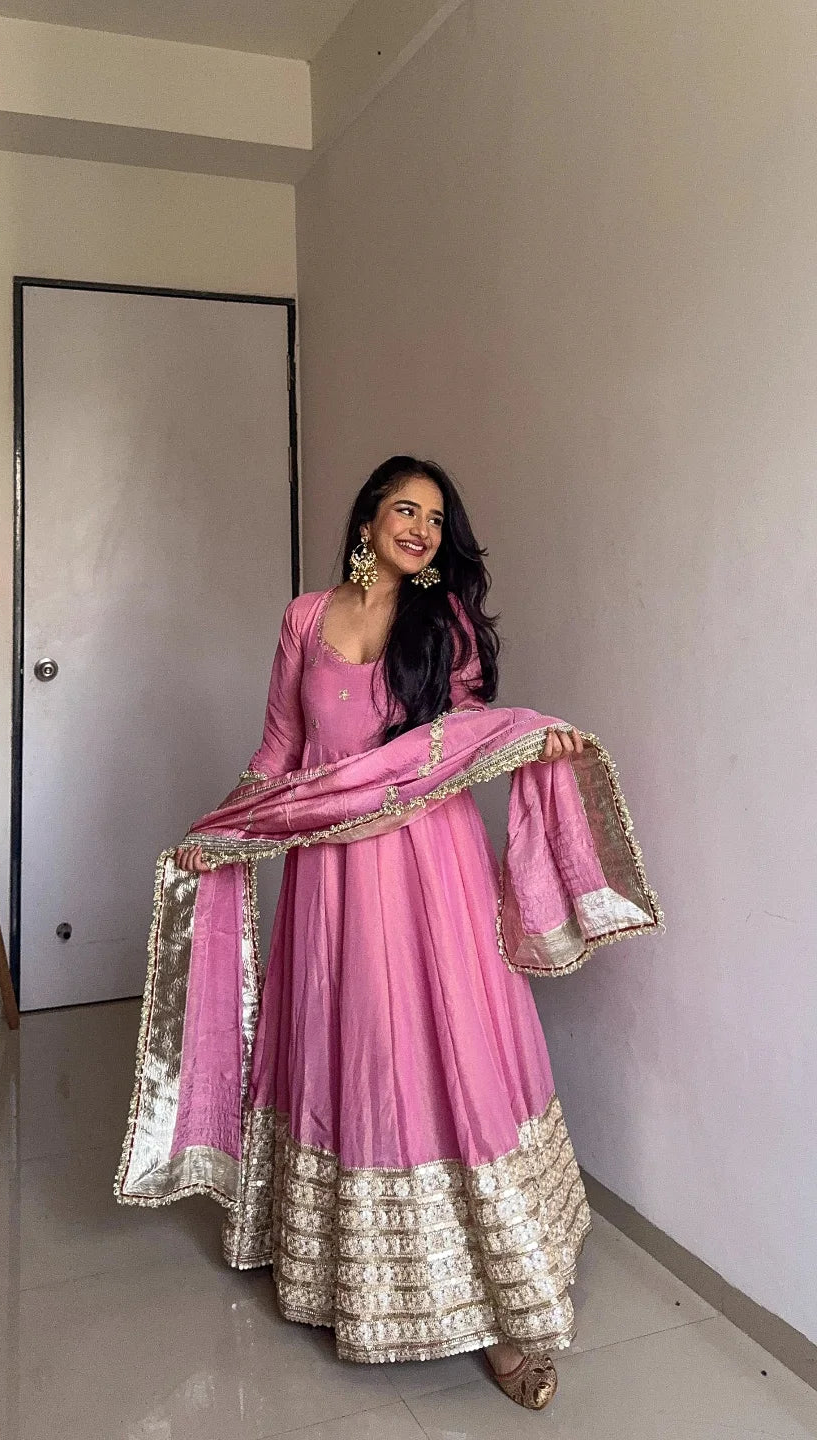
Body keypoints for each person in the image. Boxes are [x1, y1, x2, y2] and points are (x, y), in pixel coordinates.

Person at [141, 456, 659, 1410]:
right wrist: (221, 828)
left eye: (434, 515)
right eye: (403, 509)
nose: (419, 526)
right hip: (330, 884)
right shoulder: (304, 618)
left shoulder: (443, 621)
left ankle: (507, 1312)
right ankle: (334, 1271)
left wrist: (532, 737)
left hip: (432, 874)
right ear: (368, 519)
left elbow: (460, 736)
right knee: (346, 1051)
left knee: (448, 1052)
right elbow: (281, 755)